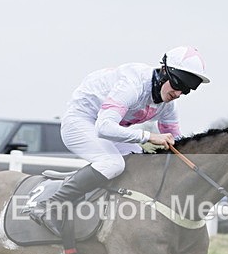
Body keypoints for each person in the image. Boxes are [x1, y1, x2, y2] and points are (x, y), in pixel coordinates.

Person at [30, 46, 210, 236]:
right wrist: (149, 137)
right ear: (164, 71)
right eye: (177, 85)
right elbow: (104, 127)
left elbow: (177, 142)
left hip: (107, 127)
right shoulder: (132, 85)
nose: (179, 93)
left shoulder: (167, 106)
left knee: (142, 165)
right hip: (80, 121)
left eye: (186, 90)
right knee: (112, 163)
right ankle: (48, 206)